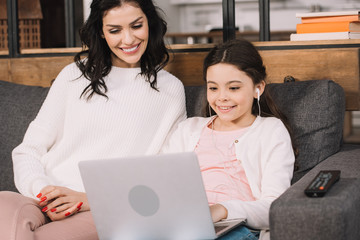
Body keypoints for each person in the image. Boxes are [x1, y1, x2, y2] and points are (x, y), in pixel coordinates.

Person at [0, 0, 186, 239]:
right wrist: (45, 192)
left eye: (136, 26)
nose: (128, 39)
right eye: (115, 30)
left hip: (104, 205)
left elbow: (161, 174)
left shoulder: (170, 91)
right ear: (101, 32)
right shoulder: (74, 75)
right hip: (43, 197)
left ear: (149, 23)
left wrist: (90, 199)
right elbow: (28, 150)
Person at [162, 39, 296, 240]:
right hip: (184, 225)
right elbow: (162, 183)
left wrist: (223, 209)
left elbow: (274, 207)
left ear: (257, 88)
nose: (222, 97)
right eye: (213, 88)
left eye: (233, 88)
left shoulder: (271, 131)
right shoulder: (188, 129)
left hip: (235, 228)